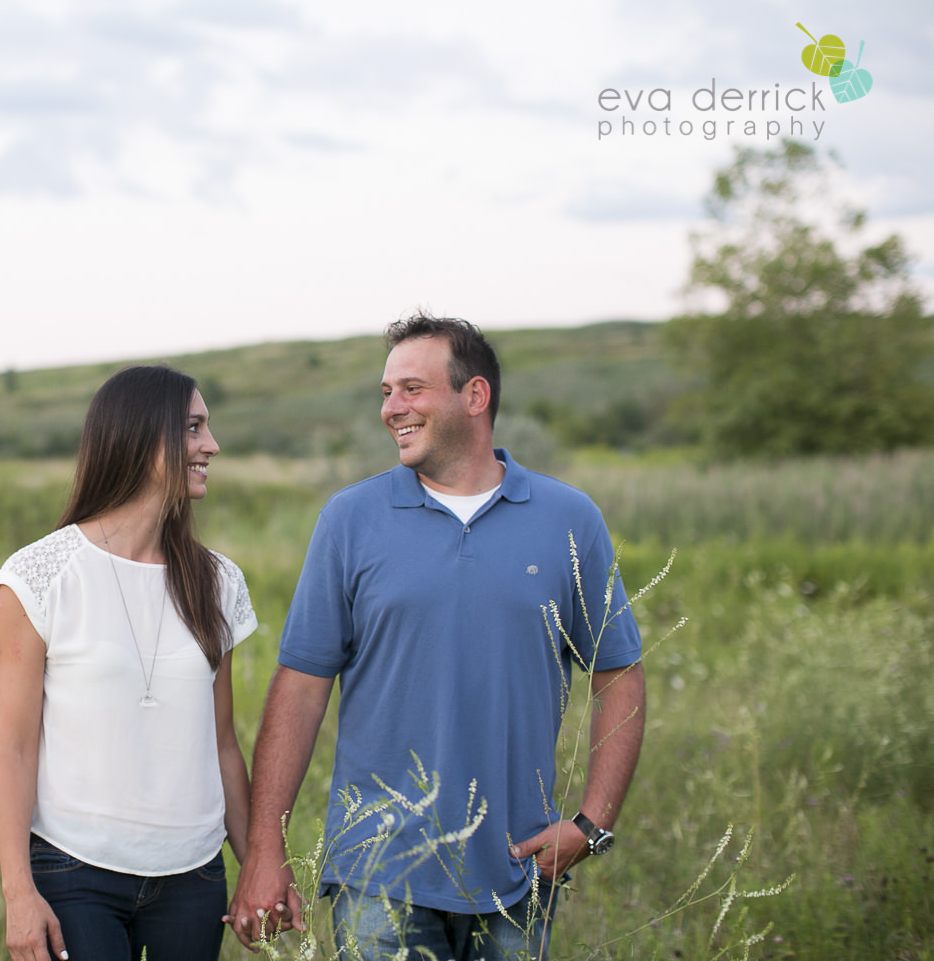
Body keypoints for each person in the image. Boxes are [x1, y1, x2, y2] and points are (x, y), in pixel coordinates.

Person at [227, 315, 646, 961]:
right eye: (387, 392)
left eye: (411, 389)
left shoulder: (570, 520)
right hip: (378, 872)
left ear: (474, 397)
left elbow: (618, 672)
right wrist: (264, 851)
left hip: (518, 870)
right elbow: (301, 689)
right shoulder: (350, 519)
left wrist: (592, 826)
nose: (392, 408)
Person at [0, 364, 257, 961]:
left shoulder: (218, 583)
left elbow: (222, 744)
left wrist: (258, 864)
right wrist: (18, 894)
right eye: (193, 428)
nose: (211, 445)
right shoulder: (39, 576)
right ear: (141, 438)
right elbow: (14, 748)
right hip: (74, 872)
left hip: (194, 875)